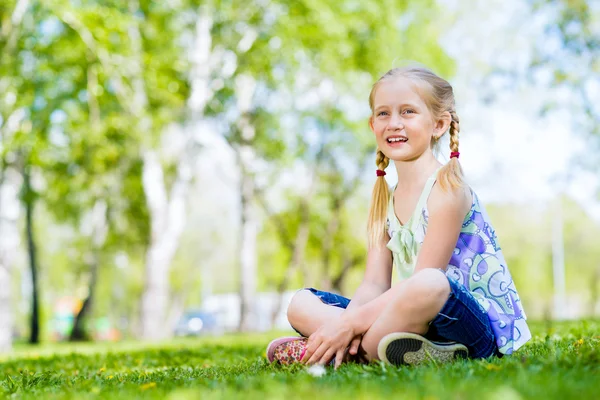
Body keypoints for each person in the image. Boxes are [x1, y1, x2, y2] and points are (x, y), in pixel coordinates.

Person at [266, 66, 531, 369]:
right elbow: (374, 285)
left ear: (439, 125)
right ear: (372, 124)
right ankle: (402, 350)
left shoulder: (448, 189)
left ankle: (329, 351)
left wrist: (348, 325)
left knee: (429, 282)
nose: (394, 124)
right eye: (383, 114)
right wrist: (349, 322)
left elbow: (424, 285)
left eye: (407, 112)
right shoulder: (384, 197)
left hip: (468, 326)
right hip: (409, 318)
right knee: (300, 303)